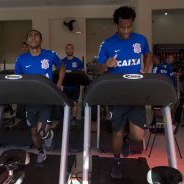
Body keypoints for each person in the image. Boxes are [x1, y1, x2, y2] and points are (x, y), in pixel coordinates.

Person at [97, 6, 151, 179]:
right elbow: (97, 68)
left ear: (132, 24)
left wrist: (146, 68)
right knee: (117, 132)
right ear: (117, 25)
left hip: (136, 92)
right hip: (116, 94)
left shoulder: (140, 40)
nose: (126, 31)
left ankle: (127, 139)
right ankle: (116, 161)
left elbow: (148, 54)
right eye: (122, 27)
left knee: (138, 136)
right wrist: (106, 65)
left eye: (129, 27)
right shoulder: (107, 44)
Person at [15, 29, 65, 167]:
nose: (33, 37)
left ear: (41, 40)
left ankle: (49, 135)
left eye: (36, 35)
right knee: (34, 132)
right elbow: (17, 78)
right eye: (29, 36)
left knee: (42, 131)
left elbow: (61, 67)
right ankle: (41, 152)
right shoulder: (21, 59)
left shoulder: (50, 55)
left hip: (46, 98)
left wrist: (58, 84)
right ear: (27, 41)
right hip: (30, 100)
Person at [61, 44, 84, 125]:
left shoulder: (78, 61)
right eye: (68, 49)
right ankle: (67, 118)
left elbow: (82, 73)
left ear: (73, 50)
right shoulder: (62, 61)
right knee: (67, 103)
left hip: (75, 86)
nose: (69, 50)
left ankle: (73, 119)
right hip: (66, 86)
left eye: (71, 49)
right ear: (65, 50)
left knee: (75, 103)